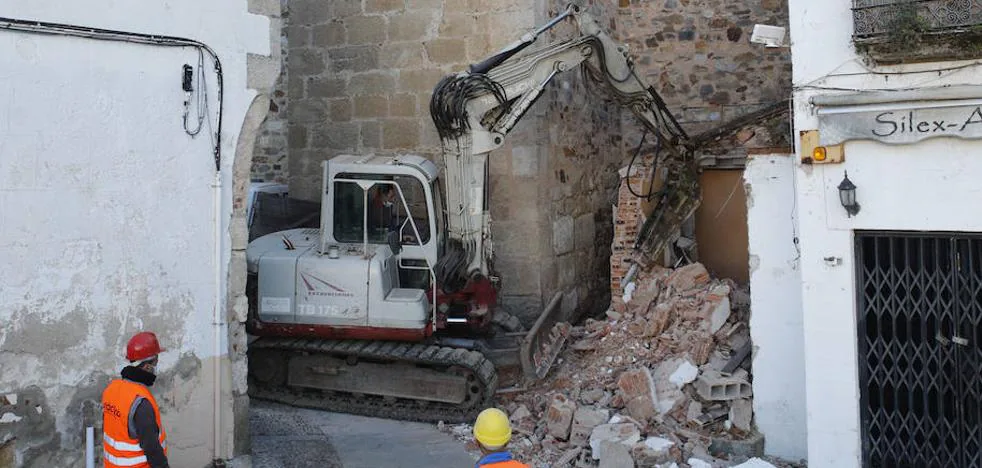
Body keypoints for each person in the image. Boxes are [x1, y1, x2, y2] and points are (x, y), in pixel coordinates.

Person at [102, 332, 169, 468]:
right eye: (156, 361)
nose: (156, 366)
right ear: (146, 366)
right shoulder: (141, 402)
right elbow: (152, 449)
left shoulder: (111, 390)